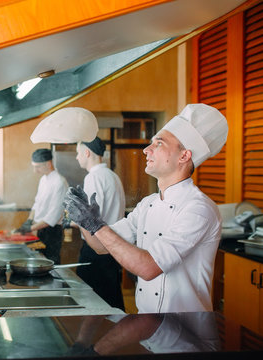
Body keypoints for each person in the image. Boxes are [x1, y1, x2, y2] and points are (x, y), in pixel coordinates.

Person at [64, 104, 229, 313]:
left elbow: (149, 267)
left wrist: (96, 223)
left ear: (184, 156)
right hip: (148, 327)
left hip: (187, 331)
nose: (146, 150)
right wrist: (85, 219)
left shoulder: (198, 209)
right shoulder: (148, 204)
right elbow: (100, 246)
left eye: (158, 144)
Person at [74, 136, 126, 310]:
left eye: (78, 153)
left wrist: (75, 217)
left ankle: (103, 336)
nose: (77, 157)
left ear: (87, 153)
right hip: (111, 244)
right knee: (111, 297)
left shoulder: (94, 177)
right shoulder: (112, 175)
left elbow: (91, 219)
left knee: (95, 301)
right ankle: (119, 333)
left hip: (97, 245)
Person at [16, 148, 68, 264]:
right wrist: (29, 221)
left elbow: (52, 218)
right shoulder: (43, 180)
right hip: (40, 229)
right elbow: (37, 203)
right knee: (39, 262)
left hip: (52, 232)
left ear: (48, 164)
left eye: (37, 167)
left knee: (50, 263)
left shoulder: (59, 182)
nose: (35, 171)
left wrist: (29, 229)